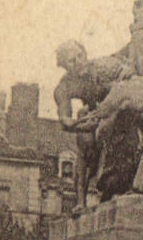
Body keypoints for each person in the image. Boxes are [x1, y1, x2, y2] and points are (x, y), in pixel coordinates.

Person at [54, 40, 130, 209]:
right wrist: (74, 122)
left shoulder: (103, 65)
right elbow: (65, 118)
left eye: (80, 56)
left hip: (119, 110)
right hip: (94, 117)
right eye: (71, 61)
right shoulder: (65, 86)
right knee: (85, 143)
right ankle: (80, 200)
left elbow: (127, 74)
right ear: (65, 66)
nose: (78, 62)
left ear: (85, 53)